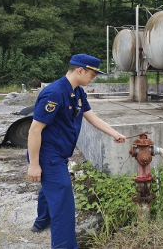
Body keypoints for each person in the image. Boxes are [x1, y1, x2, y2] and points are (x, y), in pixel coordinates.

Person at [27, 54, 127, 249]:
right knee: (63, 205)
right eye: (92, 74)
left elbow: (93, 118)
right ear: (80, 70)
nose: (94, 78)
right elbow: (34, 129)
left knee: (50, 190)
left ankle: (41, 222)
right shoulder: (54, 93)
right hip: (49, 156)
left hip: (59, 153)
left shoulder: (77, 93)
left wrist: (115, 133)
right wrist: (34, 164)